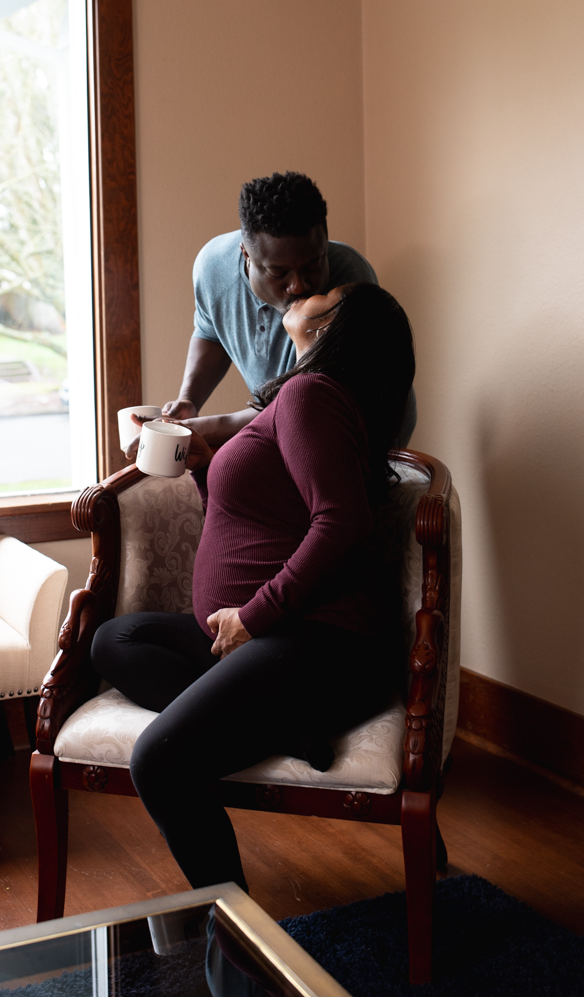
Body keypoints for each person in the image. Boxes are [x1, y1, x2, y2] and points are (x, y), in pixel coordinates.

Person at [93, 281, 415, 893]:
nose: (307, 291)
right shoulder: (296, 399)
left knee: (159, 762)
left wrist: (255, 617)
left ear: (336, 328)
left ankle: (240, 945)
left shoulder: (310, 395)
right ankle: (288, 726)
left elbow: (342, 522)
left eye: (328, 295)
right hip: (265, 636)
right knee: (117, 640)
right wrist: (207, 468)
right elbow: (251, 518)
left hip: (315, 640)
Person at [126, 171, 416, 455]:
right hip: (288, 428)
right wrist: (189, 400)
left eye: (313, 266)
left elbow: (297, 403)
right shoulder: (213, 267)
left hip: (362, 436)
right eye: (278, 272)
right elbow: (211, 332)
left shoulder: (350, 282)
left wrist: (191, 429)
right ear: (246, 255)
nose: (299, 285)